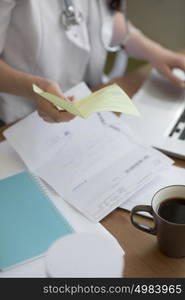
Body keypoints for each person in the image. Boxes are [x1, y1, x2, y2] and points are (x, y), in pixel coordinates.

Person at [0, 0, 185, 124]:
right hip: (20, 116)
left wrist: (158, 53)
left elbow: (105, 18)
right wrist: (38, 87)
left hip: (84, 103)